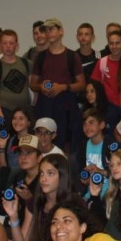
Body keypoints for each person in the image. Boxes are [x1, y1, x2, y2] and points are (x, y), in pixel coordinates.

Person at [29, 18, 85, 152]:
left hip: (65, 108)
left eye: (52, 29)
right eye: (46, 30)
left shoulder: (72, 56)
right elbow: (32, 85)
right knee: (43, 143)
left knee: (65, 145)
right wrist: (41, 86)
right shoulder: (41, 57)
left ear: (61, 31)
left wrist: (63, 87)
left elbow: (82, 84)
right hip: (45, 106)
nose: (49, 32)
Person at [0, 29, 33, 122]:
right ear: (0, 45)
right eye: (5, 43)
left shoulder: (27, 64)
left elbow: (33, 87)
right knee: (4, 132)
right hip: (5, 111)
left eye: (11, 43)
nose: (8, 46)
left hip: (25, 111)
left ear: (17, 46)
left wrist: (34, 106)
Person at [90, 30, 121, 108]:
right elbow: (94, 85)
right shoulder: (102, 62)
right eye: (111, 43)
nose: (114, 46)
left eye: (117, 43)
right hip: (107, 107)